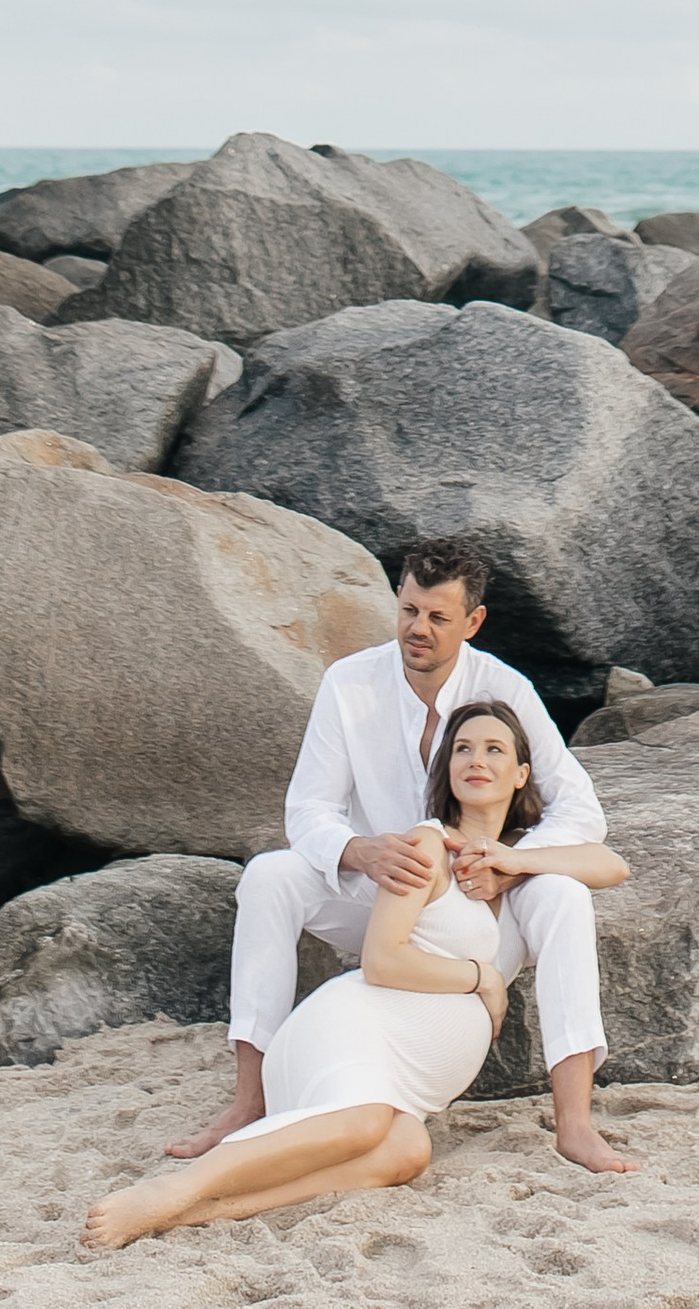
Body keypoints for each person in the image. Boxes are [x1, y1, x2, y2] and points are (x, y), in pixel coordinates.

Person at [169, 533, 637, 1178]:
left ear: (473, 621)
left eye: (438, 617)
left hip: (470, 908)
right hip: (381, 892)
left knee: (563, 894)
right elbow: (308, 809)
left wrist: (506, 863)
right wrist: (359, 850)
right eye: (409, 609)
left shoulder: (506, 689)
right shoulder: (349, 682)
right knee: (270, 876)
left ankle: (575, 1124)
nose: (418, 628)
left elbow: (581, 811)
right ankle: (250, 1099)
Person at [84, 695, 628, 1247]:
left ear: (521, 775)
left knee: (407, 1151)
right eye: (462, 749)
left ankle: (195, 1212)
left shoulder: (523, 856)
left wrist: (517, 861)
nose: (476, 760)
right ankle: (173, 1190)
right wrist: (480, 978)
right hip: (352, 1031)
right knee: (366, 1122)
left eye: (494, 750)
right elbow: (382, 959)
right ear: (447, 768)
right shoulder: (427, 846)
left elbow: (611, 864)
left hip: (402, 1081)